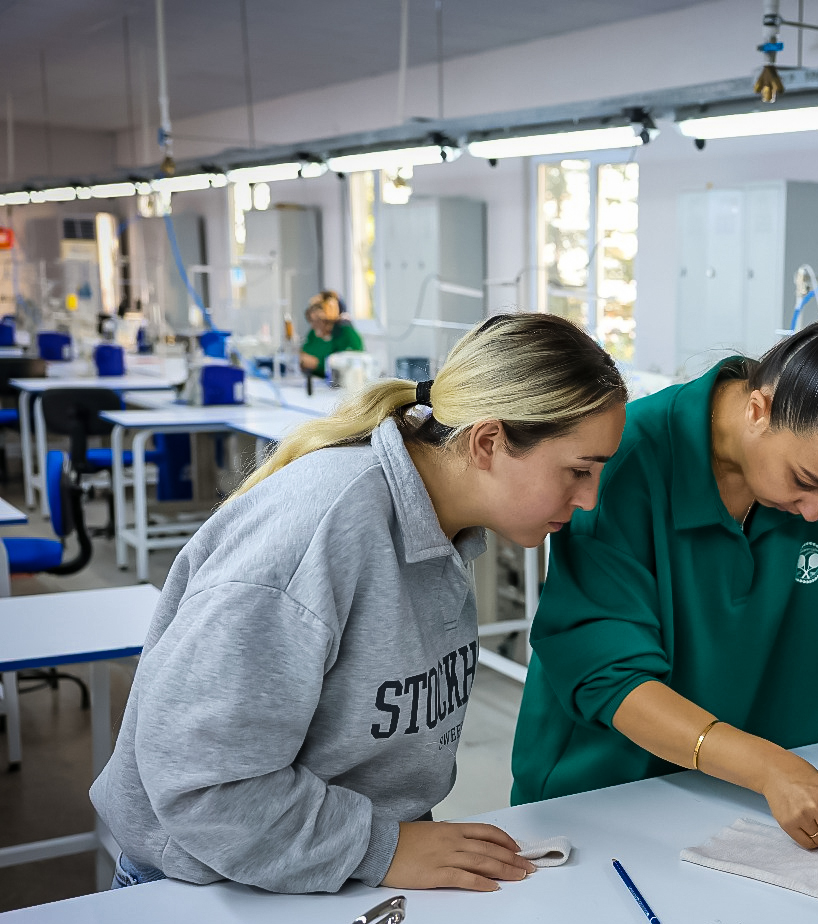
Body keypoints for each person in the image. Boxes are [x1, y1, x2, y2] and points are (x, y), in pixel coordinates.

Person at [90, 313, 628, 893]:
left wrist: (390, 843)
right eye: (578, 471)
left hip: (331, 869)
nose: (591, 500)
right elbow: (204, 785)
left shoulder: (442, 532)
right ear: (489, 442)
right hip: (212, 887)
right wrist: (383, 847)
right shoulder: (319, 531)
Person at [511, 284, 818, 850]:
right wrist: (767, 767)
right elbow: (611, 675)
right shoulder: (624, 462)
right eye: (805, 484)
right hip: (603, 795)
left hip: (755, 802)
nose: (817, 513)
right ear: (758, 409)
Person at [299, 290, 364, 377]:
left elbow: (352, 366)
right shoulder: (313, 332)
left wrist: (318, 364)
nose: (314, 324)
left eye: (318, 309)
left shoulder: (346, 334)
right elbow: (303, 355)